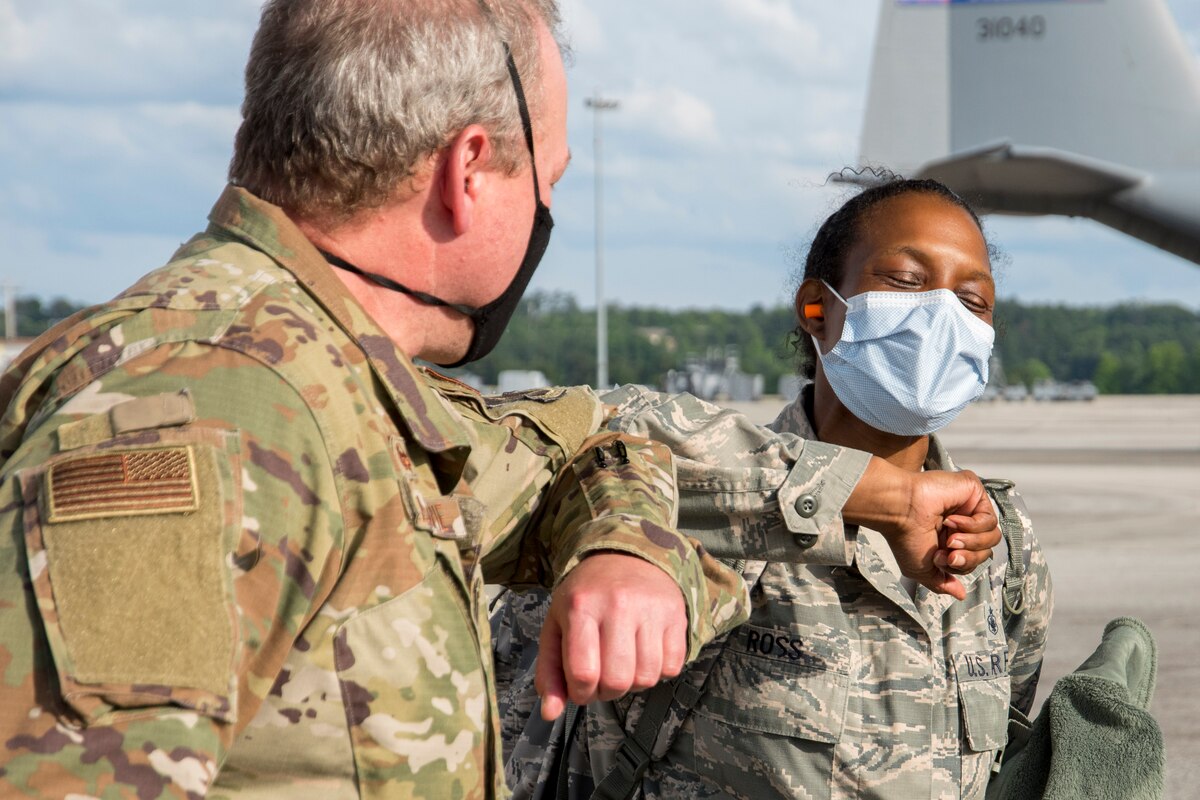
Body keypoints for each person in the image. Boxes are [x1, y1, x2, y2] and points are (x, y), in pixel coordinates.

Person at [0, 0, 1000, 794]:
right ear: (468, 171)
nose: (549, 215)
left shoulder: (336, 387)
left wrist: (626, 541)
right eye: (549, 179)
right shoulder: (200, 411)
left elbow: (593, 447)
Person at [496, 178, 1053, 800]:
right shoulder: (688, 502)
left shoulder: (1000, 546)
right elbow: (575, 432)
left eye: (973, 300)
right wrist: (867, 496)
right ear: (817, 307)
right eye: (905, 281)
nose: (944, 315)